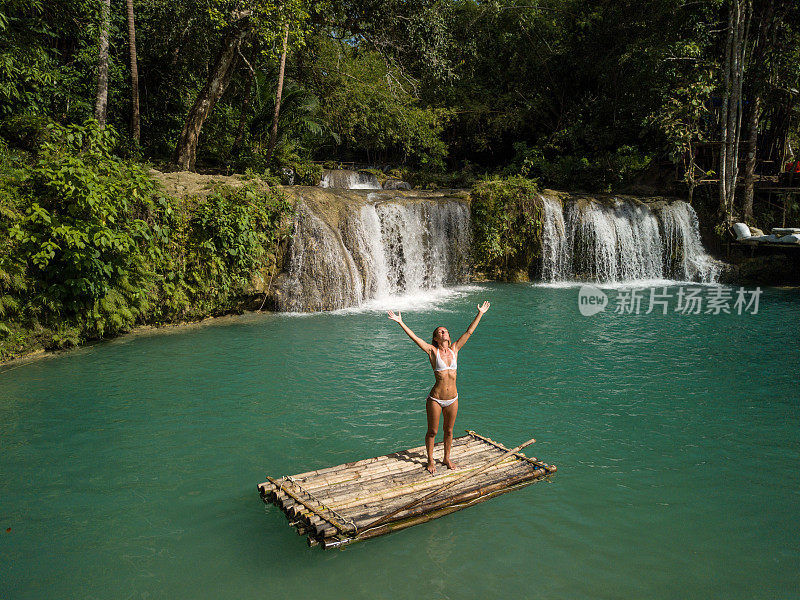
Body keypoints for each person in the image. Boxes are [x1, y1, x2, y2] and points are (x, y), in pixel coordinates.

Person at [387, 301, 490, 474]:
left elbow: (469, 332)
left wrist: (480, 313)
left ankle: (446, 458)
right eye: (440, 332)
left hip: (453, 399)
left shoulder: (455, 349)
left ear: (448, 336)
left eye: (445, 331)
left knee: (449, 431)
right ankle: (430, 460)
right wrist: (401, 322)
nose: (444, 332)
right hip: (436, 399)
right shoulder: (432, 352)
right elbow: (415, 339)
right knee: (433, 431)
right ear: (435, 338)